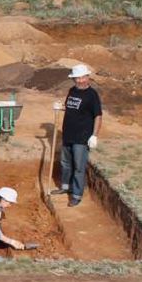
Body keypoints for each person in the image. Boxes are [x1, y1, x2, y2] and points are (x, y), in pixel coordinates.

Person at [51, 64, 102, 207]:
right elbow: (70, 107)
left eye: (81, 77)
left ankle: (76, 195)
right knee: (65, 163)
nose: (79, 81)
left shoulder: (92, 95)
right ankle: (65, 188)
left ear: (87, 77)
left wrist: (94, 135)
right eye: (76, 78)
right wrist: (60, 107)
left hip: (82, 137)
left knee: (79, 167)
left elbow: (98, 116)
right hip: (68, 134)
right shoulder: (72, 90)